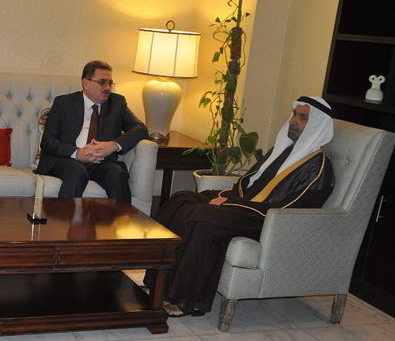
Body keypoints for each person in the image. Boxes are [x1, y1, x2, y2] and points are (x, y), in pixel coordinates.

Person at [156, 96, 335, 316]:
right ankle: (159, 286)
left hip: (265, 219)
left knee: (204, 216)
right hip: (244, 205)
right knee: (181, 199)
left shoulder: (318, 167)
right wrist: (228, 198)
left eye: (302, 117)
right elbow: (249, 181)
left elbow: (288, 208)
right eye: (294, 115)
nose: (293, 121)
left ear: (317, 125)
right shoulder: (284, 150)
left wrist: (231, 204)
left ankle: (188, 301)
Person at [36, 60, 148, 203]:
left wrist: (113, 145)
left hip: (101, 161)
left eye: (110, 83)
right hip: (68, 159)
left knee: (117, 174)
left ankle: (122, 217)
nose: (108, 88)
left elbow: (140, 129)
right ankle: (64, 217)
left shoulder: (117, 103)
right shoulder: (63, 103)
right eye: (102, 82)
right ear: (86, 83)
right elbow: (48, 141)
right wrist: (77, 153)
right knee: (77, 171)